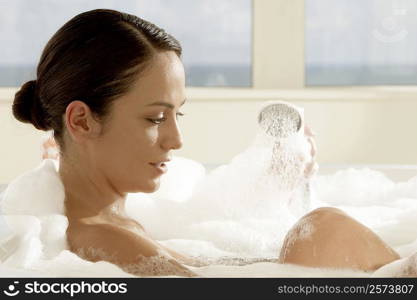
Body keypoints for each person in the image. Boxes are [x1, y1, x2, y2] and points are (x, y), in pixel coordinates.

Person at [12, 9, 405, 277]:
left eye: (177, 115)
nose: (176, 140)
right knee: (324, 230)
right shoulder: (98, 237)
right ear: (81, 120)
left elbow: (230, 271)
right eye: (155, 118)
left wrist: (280, 190)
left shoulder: (114, 221)